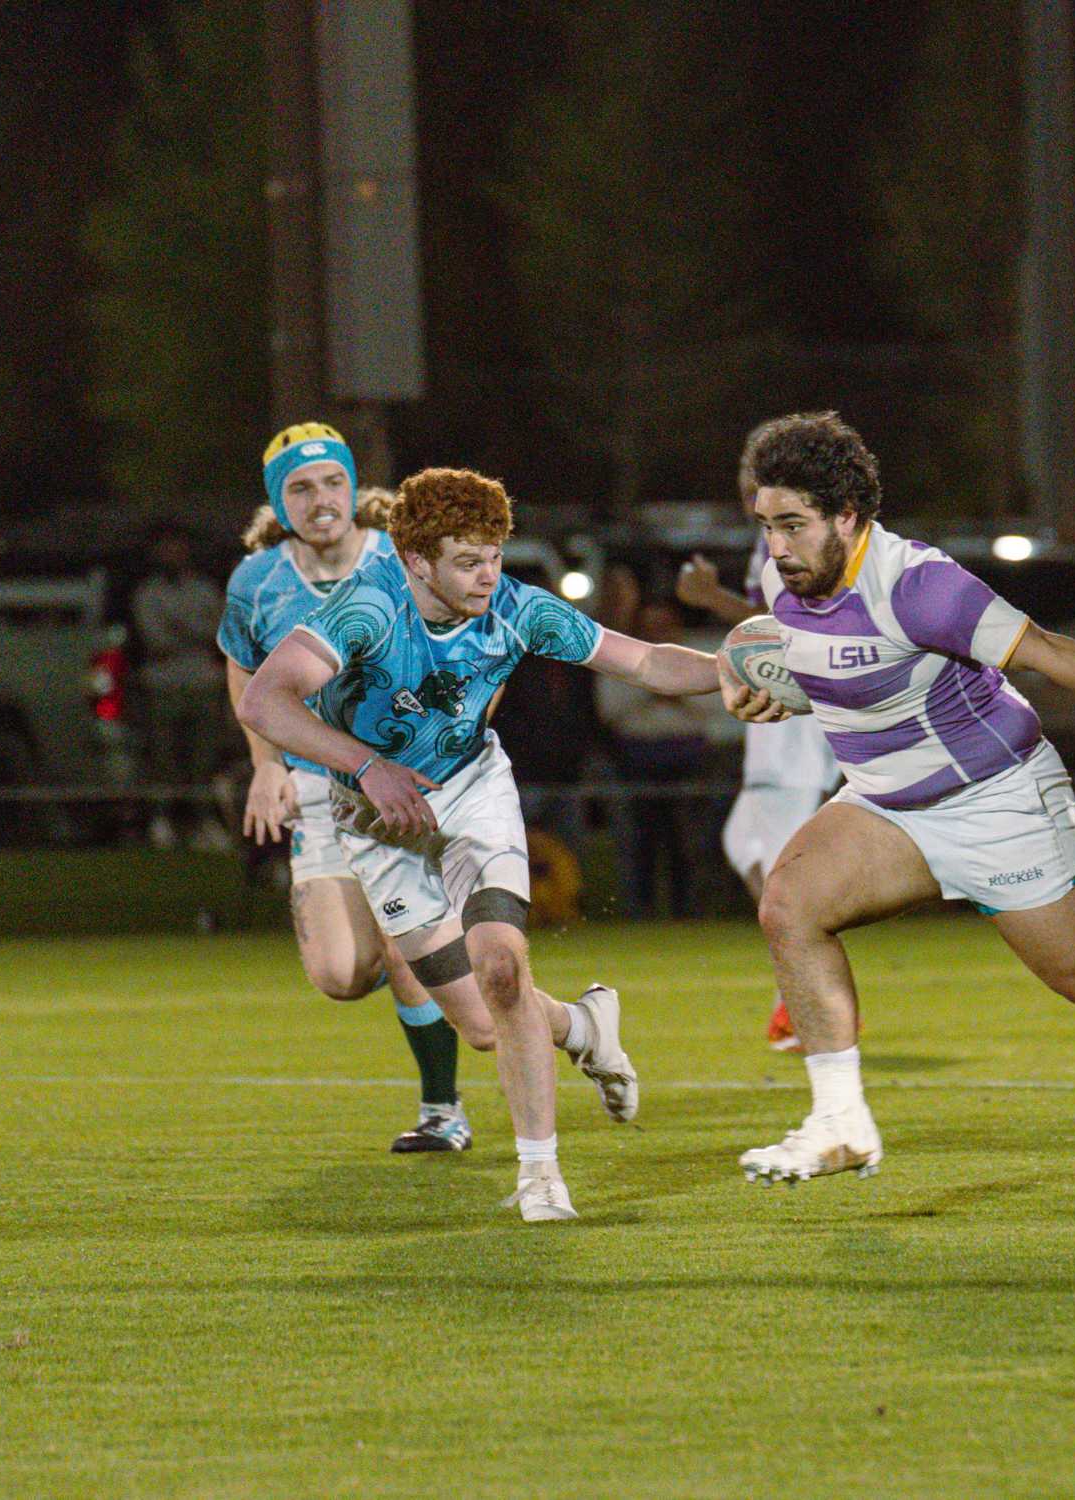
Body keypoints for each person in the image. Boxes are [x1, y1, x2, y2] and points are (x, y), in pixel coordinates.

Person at [716, 411, 1075, 1213]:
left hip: (998, 799)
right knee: (788, 903)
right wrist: (737, 677)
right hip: (887, 808)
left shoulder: (919, 584)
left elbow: (1048, 651)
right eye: (765, 526)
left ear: (848, 518)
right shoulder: (791, 585)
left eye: (792, 525)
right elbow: (807, 667)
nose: (775, 547)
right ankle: (839, 1120)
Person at [241, 463, 720, 1222]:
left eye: (495, 556)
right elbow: (266, 696)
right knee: (484, 1025)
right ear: (416, 561)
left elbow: (647, 661)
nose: (488, 575)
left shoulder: (520, 610)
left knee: (502, 964)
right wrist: (367, 767)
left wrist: (734, 674)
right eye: (468, 561)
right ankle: (584, 1024)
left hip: (473, 797)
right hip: (375, 824)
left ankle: (540, 1176)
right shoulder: (362, 612)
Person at [221, 429, 468, 1153]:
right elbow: (243, 671)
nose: (319, 499)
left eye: (331, 483)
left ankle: (442, 1111)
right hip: (322, 787)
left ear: (351, 488)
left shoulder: (402, 555)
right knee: (339, 973)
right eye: (300, 488)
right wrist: (266, 764)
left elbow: (472, 639)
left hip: (410, 784)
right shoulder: (257, 580)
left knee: (404, 946)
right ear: (280, 501)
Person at [675, 418, 845, 1050]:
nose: (749, 490)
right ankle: (802, 996)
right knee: (747, 843)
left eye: (758, 475)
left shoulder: (799, 539)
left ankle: (812, 1004)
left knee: (780, 876)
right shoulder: (771, 541)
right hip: (782, 729)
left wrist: (710, 598)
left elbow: (780, 631)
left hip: (797, 730)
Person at [593, 599, 707, 919]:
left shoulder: (701, 659)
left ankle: (686, 912)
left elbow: (716, 712)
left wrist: (676, 693)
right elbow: (609, 711)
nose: (657, 631)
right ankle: (639, 911)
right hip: (637, 757)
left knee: (685, 842)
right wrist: (653, 690)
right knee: (639, 840)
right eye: (649, 625)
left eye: (664, 624)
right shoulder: (621, 658)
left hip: (687, 758)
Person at [137, 523, 228, 850]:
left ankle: (203, 822)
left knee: (203, 758)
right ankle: (162, 822)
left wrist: (181, 629)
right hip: (163, 685)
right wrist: (195, 634)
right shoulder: (149, 593)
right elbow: (155, 640)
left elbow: (219, 635)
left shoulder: (205, 590)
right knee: (164, 758)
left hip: (204, 683)